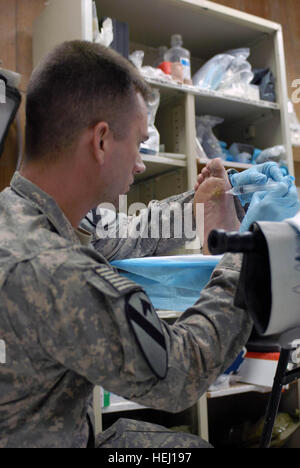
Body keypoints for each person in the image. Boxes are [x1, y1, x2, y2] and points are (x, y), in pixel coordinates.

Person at [0, 40, 298, 449]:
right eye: (139, 145)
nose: (141, 164)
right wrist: (248, 253)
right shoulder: (52, 268)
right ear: (101, 141)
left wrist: (199, 204)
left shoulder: (22, 211)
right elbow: (180, 372)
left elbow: (127, 234)